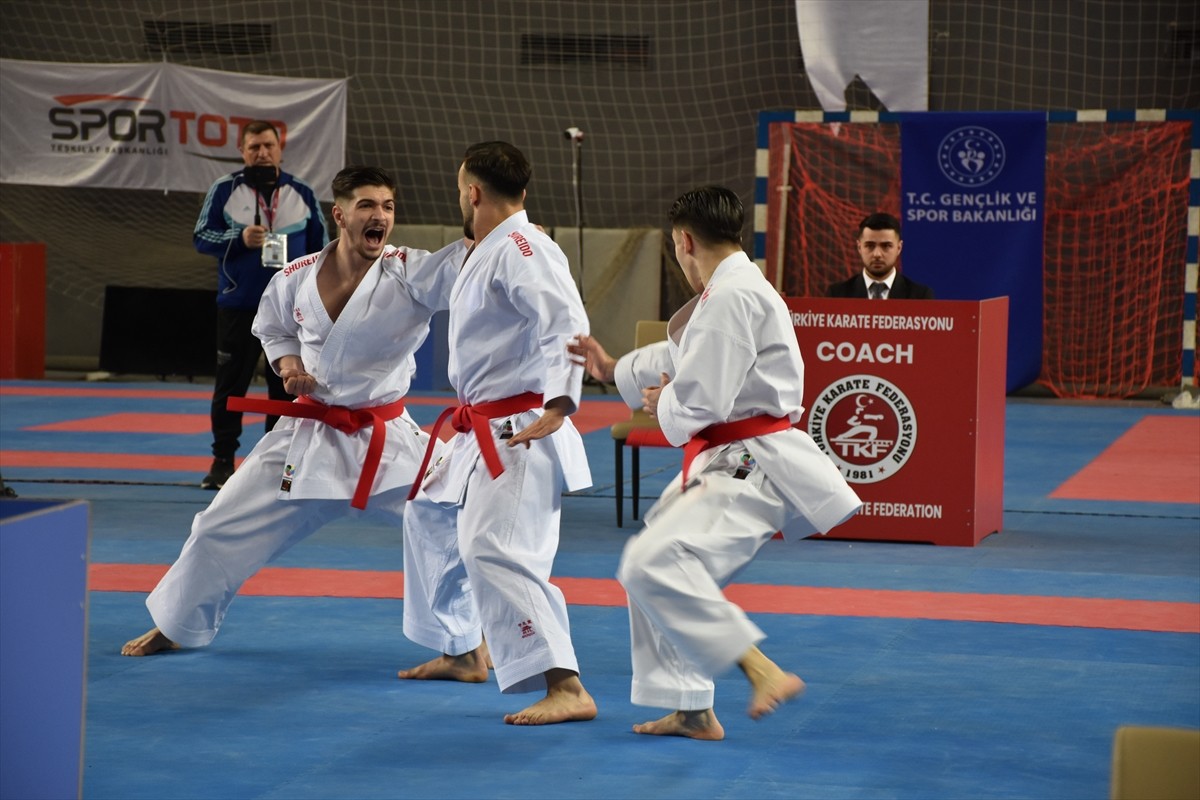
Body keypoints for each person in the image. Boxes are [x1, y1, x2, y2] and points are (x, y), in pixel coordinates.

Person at [122, 165, 468, 657]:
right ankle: (178, 624)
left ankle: (464, 645)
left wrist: (513, 239)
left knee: (453, 520)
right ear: (340, 215)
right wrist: (288, 369)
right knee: (218, 523)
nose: (380, 216)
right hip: (310, 435)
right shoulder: (296, 275)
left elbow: (470, 265)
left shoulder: (411, 271)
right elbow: (274, 330)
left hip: (385, 437)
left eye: (388, 206)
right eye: (367, 205)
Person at [568, 186, 862, 741]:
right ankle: (691, 707)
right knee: (658, 554)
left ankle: (760, 669)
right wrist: (615, 370)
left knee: (648, 562)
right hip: (732, 460)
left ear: (683, 241)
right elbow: (679, 354)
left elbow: (699, 402)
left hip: (750, 463)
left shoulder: (731, 297)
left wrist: (663, 404)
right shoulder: (730, 289)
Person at [398, 141, 597, 727]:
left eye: (461, 189)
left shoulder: (521, 246)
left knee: (495, 549)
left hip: (518, 428)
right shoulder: (488, 250)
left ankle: (565, 684)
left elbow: (565, 321)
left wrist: (561, 402)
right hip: (475, 425)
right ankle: (462, 649)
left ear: (473, 192)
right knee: (428, 515)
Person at [194, 120, 329, 490]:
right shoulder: (225, 189)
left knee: (286, 387)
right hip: (238, 306)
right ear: (242, 151)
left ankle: (278, 460)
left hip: (290, 312)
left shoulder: (301, 192)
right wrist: (237, 238)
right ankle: (222, 460)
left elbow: (325, 250)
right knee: (230, 387)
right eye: (254, 147)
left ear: (279, 149)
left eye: (268, 145)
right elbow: (201, 236)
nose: (262, 153)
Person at [826, 212, 934, 299]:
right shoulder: (837, 294)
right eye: (870, 246)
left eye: (886, 246)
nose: (877, 254)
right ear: (859, 247)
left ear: (899, 248)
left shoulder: (920, 296)